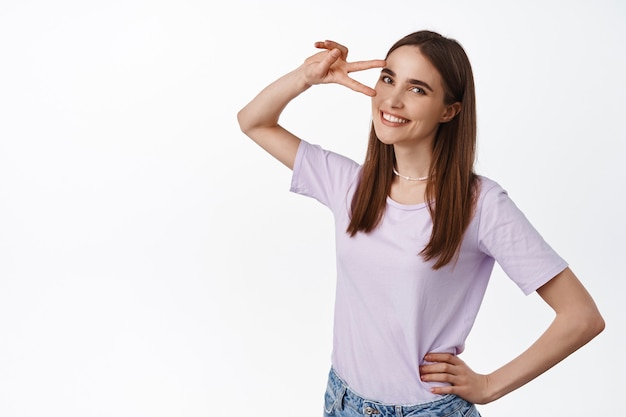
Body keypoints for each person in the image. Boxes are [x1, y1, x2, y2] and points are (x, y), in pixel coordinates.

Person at [237, 30, 604, 417]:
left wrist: (490, 385)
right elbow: (253, 122)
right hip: (341, 400)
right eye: (388, 78)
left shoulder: (480, 205)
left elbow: (581, 317)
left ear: (449, 110)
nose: (391, 100)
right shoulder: (349, 184)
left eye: (417, 89)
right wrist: (306, 77)